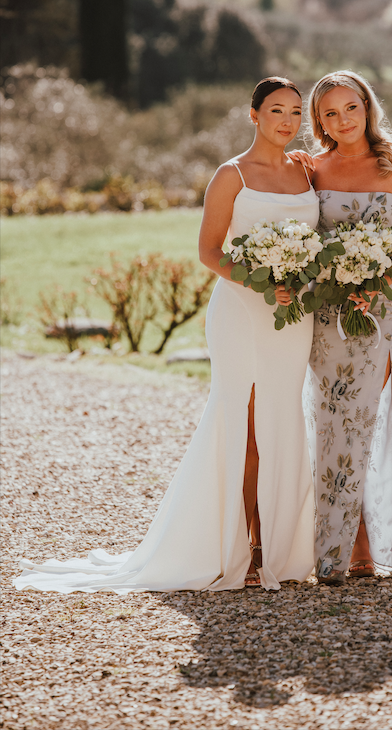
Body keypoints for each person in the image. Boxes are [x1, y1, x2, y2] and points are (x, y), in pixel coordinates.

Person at [14, 77, 319, 594]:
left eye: (295, 112)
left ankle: (281, 545)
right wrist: (264, 280)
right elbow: (210, 252)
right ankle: (241, 547)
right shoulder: (231, 175)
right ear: (253, 115)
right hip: (243, 312)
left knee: (285, 422)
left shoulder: (307, 172)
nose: (287, 122)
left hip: (294, 319)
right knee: (243, 428)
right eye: (276, 111)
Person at [299, 70, 392, 584]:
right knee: (332, 420)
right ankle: (342, 547)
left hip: (382, 311)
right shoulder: (311, 169)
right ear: (319, 120)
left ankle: (370, 541)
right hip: (328, 314)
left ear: (367, 108)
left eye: (350, 108)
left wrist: (380, 276)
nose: (342, 119)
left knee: (367, 420)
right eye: (330, 112)